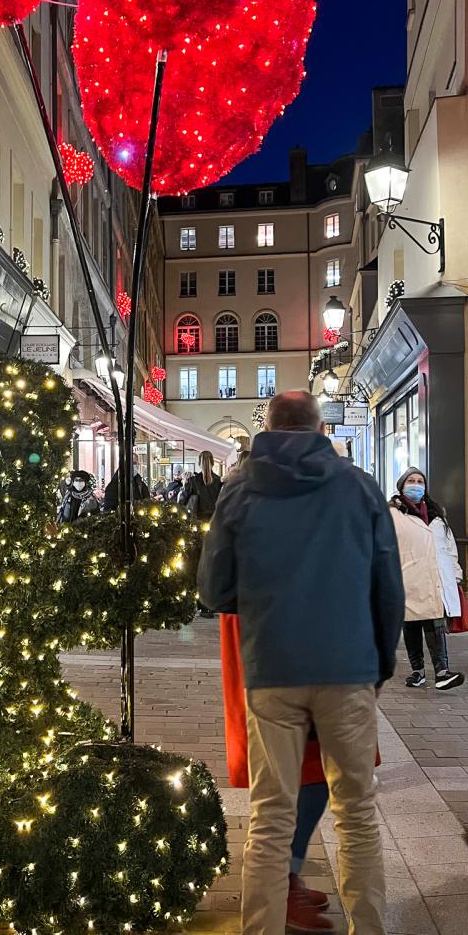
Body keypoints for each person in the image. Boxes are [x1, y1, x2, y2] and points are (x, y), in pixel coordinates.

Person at [198, 390, 405, 935]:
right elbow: (388, 587)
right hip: (348, 666)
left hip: (273, 669)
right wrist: (378, 664)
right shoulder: (358, 486)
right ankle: (370, 927)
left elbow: (215, 589)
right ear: (320, 429)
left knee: (270, 817)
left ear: (267, 426)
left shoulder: (239, 488)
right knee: (357, 812)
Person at [220, 614, 334, 933]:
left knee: (317, 770)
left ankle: (285, 879)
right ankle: (276, 890)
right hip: (271, 635)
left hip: (311, 630)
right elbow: (216, 585)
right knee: (279, 788)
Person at [388, 468, 464, 691]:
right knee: (411, 625)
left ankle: (442, 672)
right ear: (401, 486)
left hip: (437, 577)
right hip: (408, 576)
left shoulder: (436, 514)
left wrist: (455, 573)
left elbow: (448, 547)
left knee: (435, 623)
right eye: (411, 481)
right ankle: (418, 671)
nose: (416, 484)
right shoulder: (392, 514)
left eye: (420, 481)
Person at [181, 451, 223, 617]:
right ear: (213, 463)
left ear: (199, 463)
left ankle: (200, 603)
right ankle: (212, 603)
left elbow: (183, 502)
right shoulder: (219, 481)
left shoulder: (193, 481)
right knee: (212, 566)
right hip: (214, 527)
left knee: (197, 565)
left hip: (197, 526)